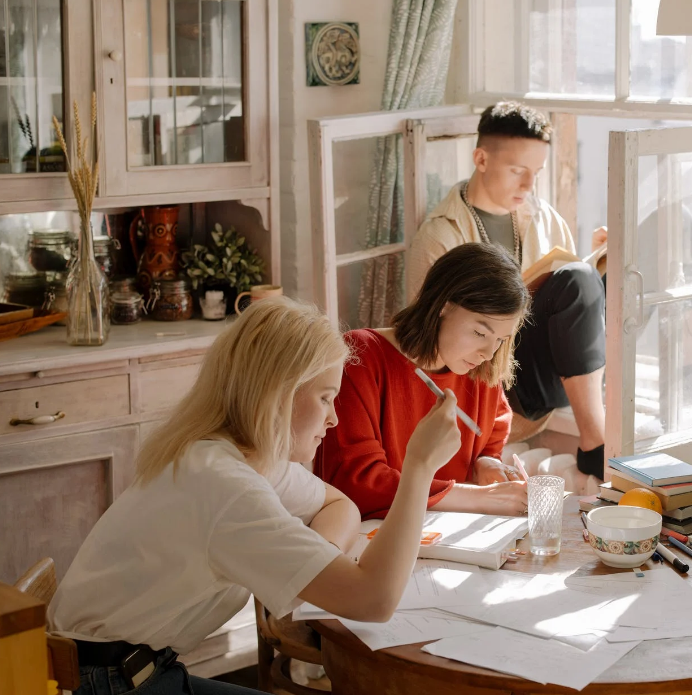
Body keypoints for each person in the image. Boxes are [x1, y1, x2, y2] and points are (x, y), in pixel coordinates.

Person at [48, 297, 463, 695]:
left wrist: (319, 561)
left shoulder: (238, 455)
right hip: (109, 682)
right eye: (325, 398)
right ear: (278, 393)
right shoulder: (225, 486)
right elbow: (373, 600)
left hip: (130, 669)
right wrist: (419, 469)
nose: (334, 418)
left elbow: (340, 505)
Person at [406, 101, 608, 481]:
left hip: (550, 376)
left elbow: (569, 307)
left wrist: (599, 261)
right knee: (578, 280)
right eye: (517, 170)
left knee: (614, 262)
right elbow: (429, 344)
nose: (529, 185)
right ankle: (596, 444)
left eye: (536, 172)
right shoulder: (441, 235)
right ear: (480, 159)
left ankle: (600, 420)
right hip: (493, 383)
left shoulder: (544, 217)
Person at [317, 243, 533, 519]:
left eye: (501, 340)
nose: (489, 353)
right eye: (480, 333)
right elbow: (357, 483)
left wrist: (485, 462)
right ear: (443, 306)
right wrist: (480, 498)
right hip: (374, 535)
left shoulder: (479, 366)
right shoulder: (362, 357)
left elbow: (492, 432)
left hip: (451, 532)